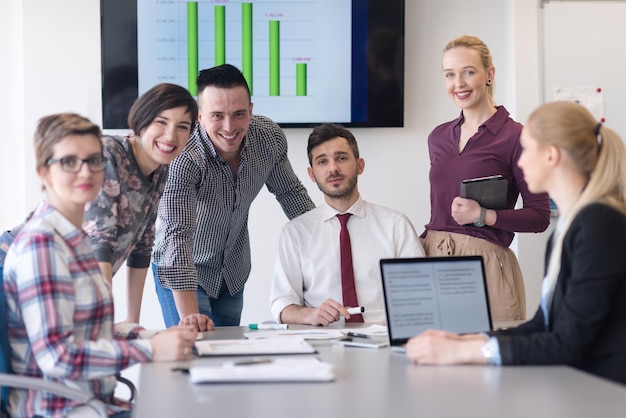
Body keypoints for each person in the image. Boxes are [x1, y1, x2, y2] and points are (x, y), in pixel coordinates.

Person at [406, 101, 626, 386]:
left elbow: (568, 343)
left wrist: (467, 351)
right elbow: (543, 325)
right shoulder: (569, 230)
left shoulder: (599, 224)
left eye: (526, 150)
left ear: (551, 156)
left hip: (604, 393)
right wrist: (471, 339)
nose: (519, 162)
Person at [2, 113, 197, 417]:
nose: (86, 172)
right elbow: (58, 357)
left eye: (94, 160)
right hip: (61, 410)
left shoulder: (74, 239)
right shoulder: (42, 245)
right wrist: (148, 350)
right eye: (69, 162)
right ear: (43, 173)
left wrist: (149, 336)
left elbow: (90, 331)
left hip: (95, 403)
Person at [152, 64, 316, 329]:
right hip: (183, 269)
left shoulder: (268, 139)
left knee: (226, 357)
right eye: (217, 115)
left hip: (232, 273)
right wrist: (191, 319)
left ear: (250, 110)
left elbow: (291, 194)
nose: (229, 127)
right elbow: (176, 236)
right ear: (200, 116)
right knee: (194, 352)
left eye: (239, 114)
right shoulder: (184, 157)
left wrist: (327, 248)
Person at [421, 35, 550, 321]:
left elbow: (540, 217)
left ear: (489, 74)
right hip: (433, 259)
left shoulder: (517, 136)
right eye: (450, 75)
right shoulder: (438, 137)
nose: (459, 84)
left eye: (468, 72)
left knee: (487, 360)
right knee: (429, 359)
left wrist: (485, 215)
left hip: (486, 266)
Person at [270, 123, 425, 325]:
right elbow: (281, 303)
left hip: (382, 339)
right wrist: (309, 315)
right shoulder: (296, 232)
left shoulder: (396, 226)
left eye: (341, 158)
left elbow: (420, 295)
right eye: (322, 161)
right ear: (312, 174)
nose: (333, 168)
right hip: (321, 341)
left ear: (360, 165)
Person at [83, 83, 201, 325]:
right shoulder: (109, 153)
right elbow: (99, 241)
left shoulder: (161, 168)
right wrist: (103, 323)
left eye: (182, 127)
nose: (171, 135)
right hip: (18, 268)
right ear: (142, 119)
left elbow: (142, 246)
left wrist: (132, 321)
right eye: (161, 122)